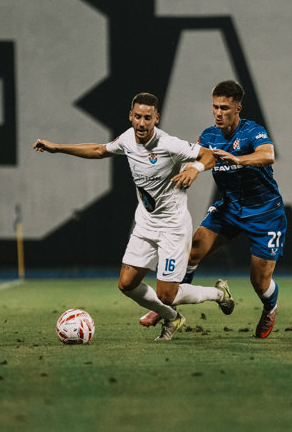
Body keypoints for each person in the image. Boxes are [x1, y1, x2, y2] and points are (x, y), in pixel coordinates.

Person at [34, 92, 234, 341]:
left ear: (156, 118)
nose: (141, 123)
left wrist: (195, 168)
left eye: (147, 118)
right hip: (146, 224)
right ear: (130, 116)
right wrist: (57, 148)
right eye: (137, 116)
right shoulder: (127, 139)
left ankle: (219, 294)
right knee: (126, 284)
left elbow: (209, 155)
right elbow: (98, 150)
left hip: (172, 227)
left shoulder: (168, 144)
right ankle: (173, 318)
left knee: (167, 295)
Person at [139, 81, 286, 338]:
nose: (218, 113)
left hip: (265, 214)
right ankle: (168, 306)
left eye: (225, 108)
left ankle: (270, 306)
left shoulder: (252, 131)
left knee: (260, 283)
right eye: (215, 107)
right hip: (229, 209)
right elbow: (195, 160)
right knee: (192, 251)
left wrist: (239, 159)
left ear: (238, 108)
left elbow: (267, 155)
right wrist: (189, 171)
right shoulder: (209, 136)